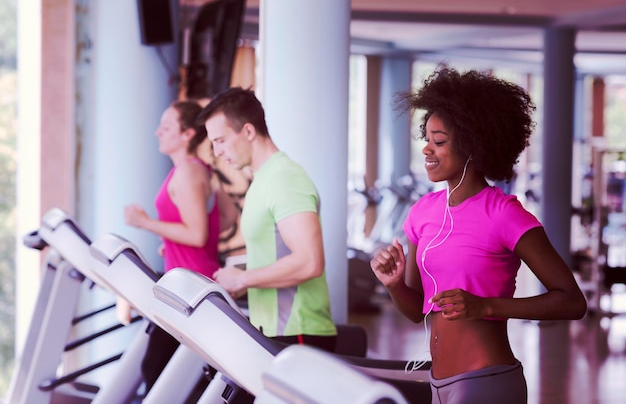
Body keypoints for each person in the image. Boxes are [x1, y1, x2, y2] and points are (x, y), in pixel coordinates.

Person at [369, 67, 587, 404]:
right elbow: (417, 311)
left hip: (486, 381)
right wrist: (394, 283)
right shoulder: (422, 212)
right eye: (426, 138)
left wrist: (486, 305)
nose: (427, 149)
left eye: (439, 141)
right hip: (436, 384)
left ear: (473, 144)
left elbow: (572, 301)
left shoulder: (504, 214)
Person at [197, 87, 338, 352]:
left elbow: (310, 262)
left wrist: (242, 279)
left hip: (298, 331)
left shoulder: (285, 179)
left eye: (220, 140)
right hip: (274, 330)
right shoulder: (263, 178)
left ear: (248, 132)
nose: (216, 151)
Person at [123, 99, 237, 396]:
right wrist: (175, 240)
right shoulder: (201, 170)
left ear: (187, 134)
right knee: (167, 371)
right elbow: (226, 218)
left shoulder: (187, 173)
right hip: (192, 280)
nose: (157, 132)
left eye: (166, 127)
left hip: (190, 289)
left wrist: (146, 223)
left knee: (155, 369)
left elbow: (197, 234)